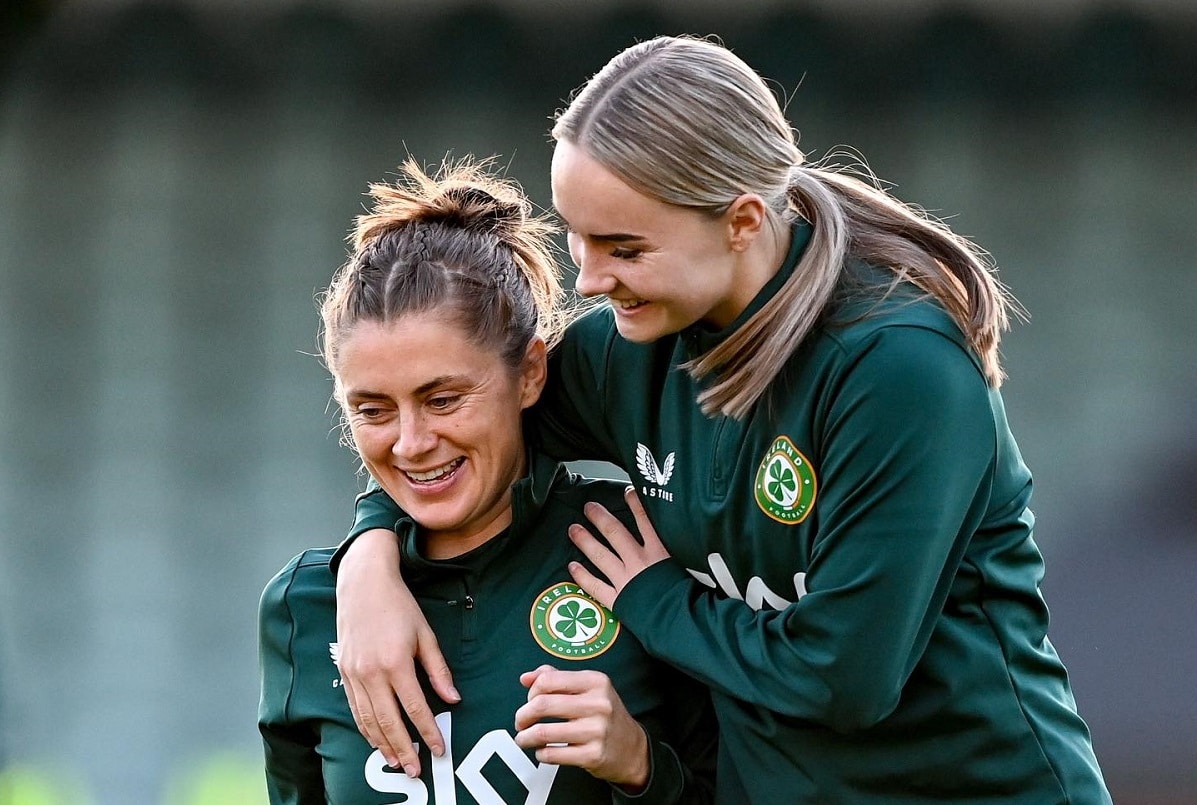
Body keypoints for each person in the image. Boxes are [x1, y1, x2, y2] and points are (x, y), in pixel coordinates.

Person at [332, 35, 1112, 804]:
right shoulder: (627, 349)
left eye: (623, 246)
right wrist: (368, 562)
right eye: (576, 236)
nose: (590, 279)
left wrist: (655, 598)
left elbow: (841, 679)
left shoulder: (897, 369)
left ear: (741, 220)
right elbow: (462, 430)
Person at [257, 157, 717, 804]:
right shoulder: (304, 608)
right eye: (373, 409)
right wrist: (363, 561)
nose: (411, 442)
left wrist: (639, 766)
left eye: (443, 399)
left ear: (529, 373)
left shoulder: (636, 544)